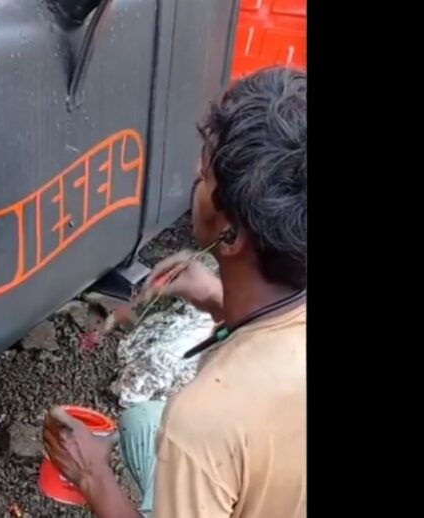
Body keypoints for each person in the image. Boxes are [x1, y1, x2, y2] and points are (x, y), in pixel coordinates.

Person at [43, 66, 307, 518]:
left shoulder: (205, 420)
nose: (196, 183)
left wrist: (93, 477)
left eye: (204, 177)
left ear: (229, 235)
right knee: (143, 421)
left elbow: (219, 420)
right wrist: (214, 296)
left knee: (168, 433)